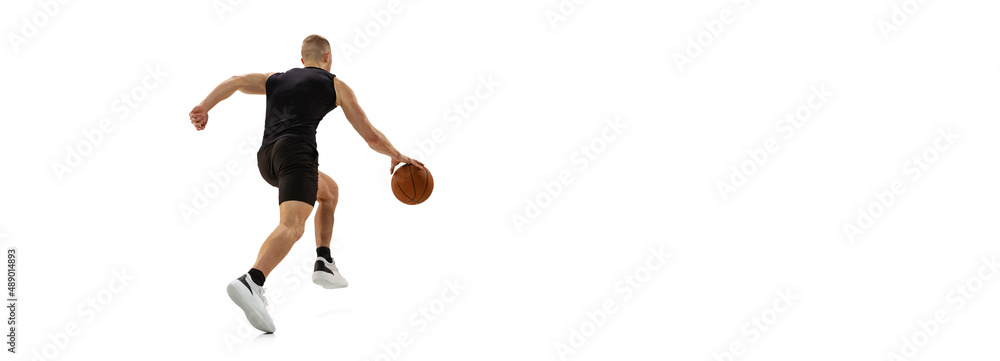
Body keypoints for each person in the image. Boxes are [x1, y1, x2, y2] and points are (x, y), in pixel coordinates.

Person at [188, 34, 424, 333]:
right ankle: (253, 280)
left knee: (329, 190)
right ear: (328, 57)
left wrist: (203, 106)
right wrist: (397, 155)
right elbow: (371, 136)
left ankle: (324, 261)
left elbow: (235, 81)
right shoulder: (335, 85)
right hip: (297, 155)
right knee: (292, 225)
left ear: (302, 60)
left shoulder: (275, 78)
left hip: (268, 160)